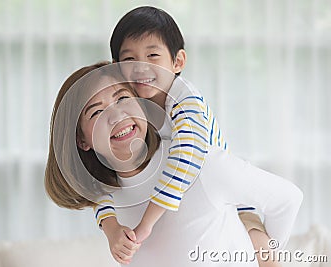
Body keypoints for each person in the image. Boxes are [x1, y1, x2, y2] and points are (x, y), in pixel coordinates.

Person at [44, 62, 303, 266]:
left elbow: (288, 198)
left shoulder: (200, 163)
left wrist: (265, 257)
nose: (117, 115)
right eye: (97, 112)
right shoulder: (107, 199)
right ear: (81, 140)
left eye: (122, 98)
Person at [94, 6, 273, 265]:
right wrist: (111, 228)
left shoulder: (186, 101)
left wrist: (146, 224)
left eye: (152, 55)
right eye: (129, 60)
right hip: (183, 215)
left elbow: (185, 160)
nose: (141, 67)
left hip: (232, 201)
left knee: (261, 246)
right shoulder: (127, 109)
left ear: (177, 62)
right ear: (116, 67)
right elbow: (98, 177)